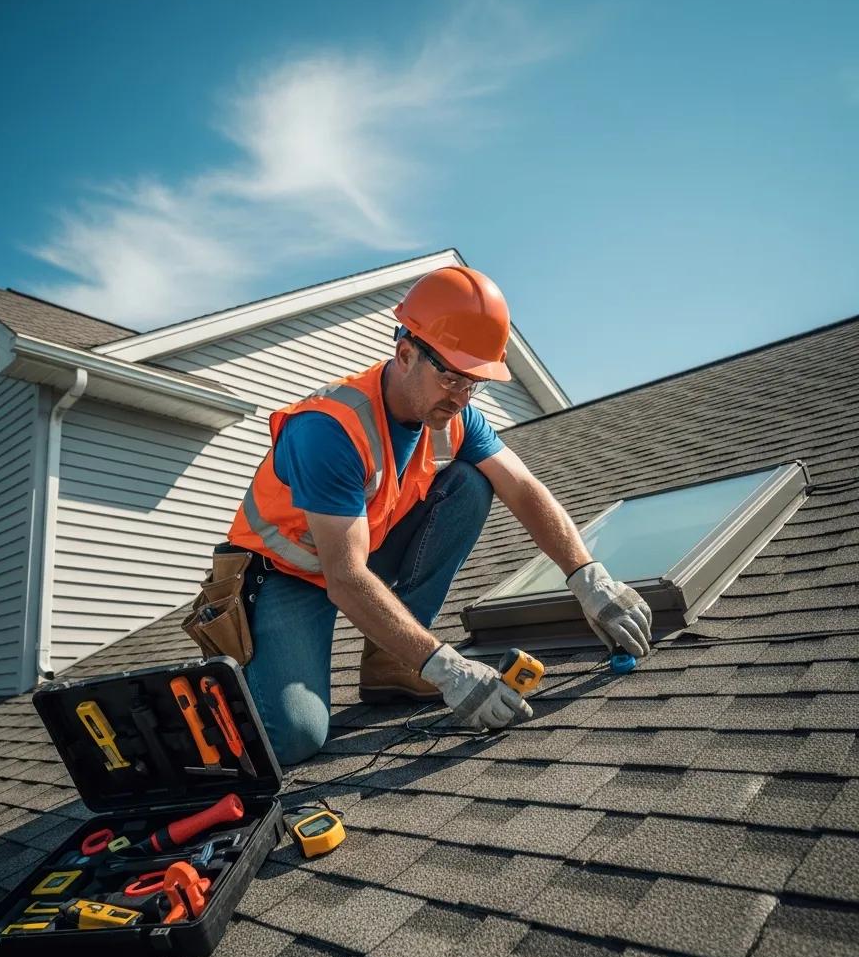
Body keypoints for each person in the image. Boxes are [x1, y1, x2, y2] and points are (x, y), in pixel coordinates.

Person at [221, 265, 651, 766]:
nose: (461, 396)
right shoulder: (330, 429)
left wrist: (588, 577)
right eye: (451, 378)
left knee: (471, 483)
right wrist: (449, 668)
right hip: (286, 576)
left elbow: (524, 488)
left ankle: (394, 666)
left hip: (357, 552)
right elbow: (345, 577)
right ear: (405, 354)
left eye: (474, 383)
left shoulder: (452, 413)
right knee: (293, 736)